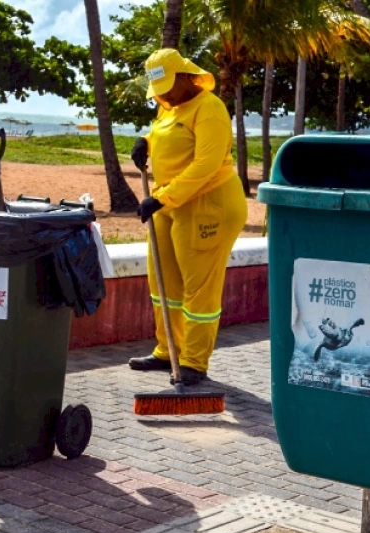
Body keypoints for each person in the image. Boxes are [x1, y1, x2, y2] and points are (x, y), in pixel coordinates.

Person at [128, 48, 248, 387]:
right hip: (168, 203)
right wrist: (146, 140)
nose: (162, 94)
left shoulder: (209, 108)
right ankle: (168, 350)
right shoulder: (172, 107)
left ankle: (194, 362)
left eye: (167, 85)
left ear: (184, 76)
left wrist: (160, 197)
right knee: (163, 281)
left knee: (199, 288)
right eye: (158, 89)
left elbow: (205, 166)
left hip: (207, 204)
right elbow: (166, 133)